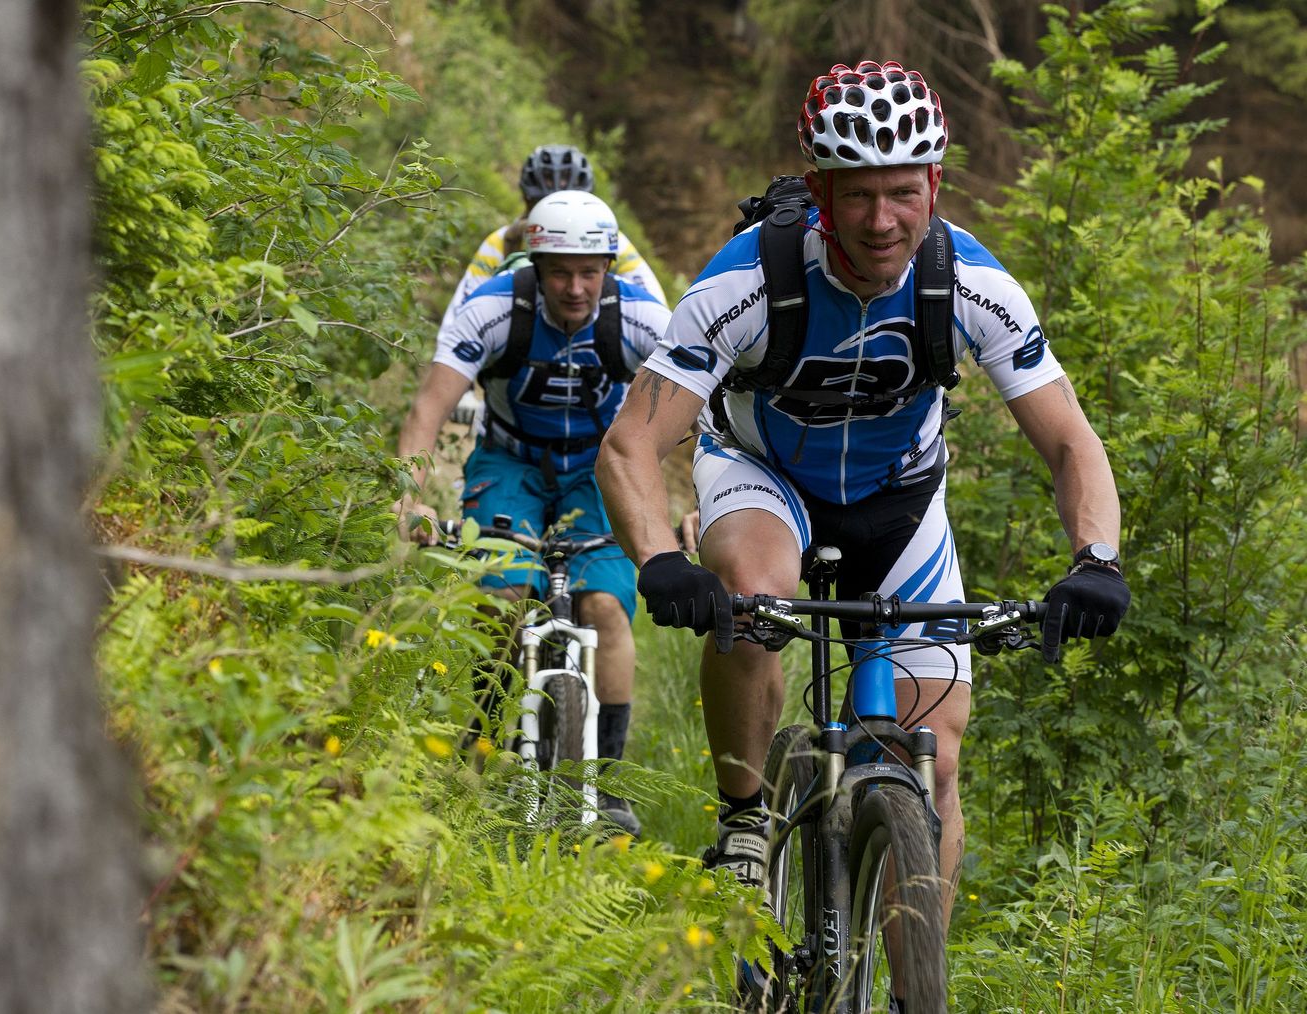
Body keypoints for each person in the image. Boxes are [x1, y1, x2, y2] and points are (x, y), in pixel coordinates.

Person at [595, 61, 1130, 919]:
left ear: (934, 185)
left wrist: (1095, 559)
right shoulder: (742, 286)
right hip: (764, 478)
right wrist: (660, 558)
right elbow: (630, 445)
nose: (883, 221)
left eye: (901, 193)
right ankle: (742, 821)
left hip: (901, 501)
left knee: (935, 763)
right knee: (753, 596)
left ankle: (917, 980)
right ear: (819, 191)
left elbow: (1071, 441)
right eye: (857, 196)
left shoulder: (972, 287)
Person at [397, 190, 672, 837]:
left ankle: (605, 783)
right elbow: (426, 413)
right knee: (503, 594)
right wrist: (408, 493)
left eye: (589, 272)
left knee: (604, 606)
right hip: (509, 463)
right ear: (535, 268)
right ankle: (485, 731)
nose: (575, 288)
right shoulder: (493, 309)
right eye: (559, 272)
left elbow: (700, 415)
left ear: (609, 268)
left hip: (600, 466)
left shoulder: (638, 319)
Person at [437, 144, 667, 338]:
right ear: (528, 203)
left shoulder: (608, 238)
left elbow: (654, 308)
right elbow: (458, 319)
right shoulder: (502, 241)